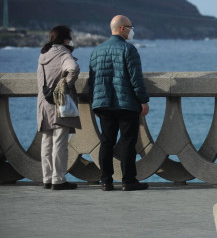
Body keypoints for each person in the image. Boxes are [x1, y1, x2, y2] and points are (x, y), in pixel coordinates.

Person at [88, 15, 150, 191]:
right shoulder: (129, 50)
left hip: (103, 103)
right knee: (128, 142)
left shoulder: (96, 51)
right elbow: (136, 78)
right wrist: (143, 100)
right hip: (126, 104)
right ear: (122, 29)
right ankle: (128, 181)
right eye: (130, 27)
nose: (132, 31)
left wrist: (95, 102)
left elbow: (92, 81)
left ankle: (105, 181)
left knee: (106, 141)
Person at [37, 25, 81, 190]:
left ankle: (47, 178)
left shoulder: (43, 55)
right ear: (64, 39)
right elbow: (74, 69)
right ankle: (58, 179)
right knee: (59, 142)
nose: (70, 40)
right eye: (69, 37)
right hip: (59, 102)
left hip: (43, 104)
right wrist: (65, 84)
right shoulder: (63, 53)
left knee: (46, 142)